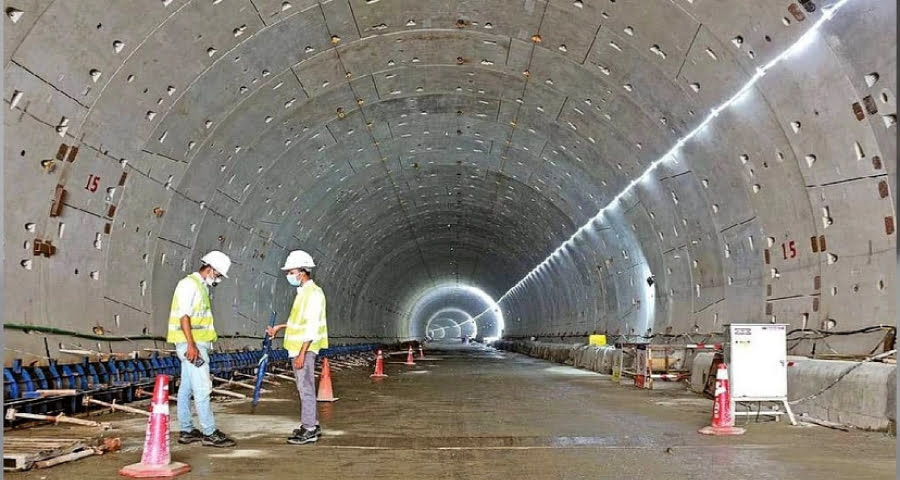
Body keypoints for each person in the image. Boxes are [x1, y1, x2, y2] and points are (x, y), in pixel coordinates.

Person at [168, 250, 236, 448]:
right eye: (220, 274)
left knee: (186, 388)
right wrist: (191, 345)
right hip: (192, 346)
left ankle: (187, 430)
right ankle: (209, 431)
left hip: (194, 344)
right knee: (203, 387)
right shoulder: (189, 285)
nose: (220, 278)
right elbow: (184, 317)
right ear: (211, 269)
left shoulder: (201, 287)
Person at [266, 250, 328, 445]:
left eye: (291, 272)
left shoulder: (313, 294)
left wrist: (302, 353)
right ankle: (311, 424)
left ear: (302, 272)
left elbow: (311, 326)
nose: (288, 276)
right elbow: (299, 322)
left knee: (305, 388)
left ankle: (309, 429)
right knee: (304, 388)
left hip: (305, 349)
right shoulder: (303, 293)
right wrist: (280, 327)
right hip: (298, 348)